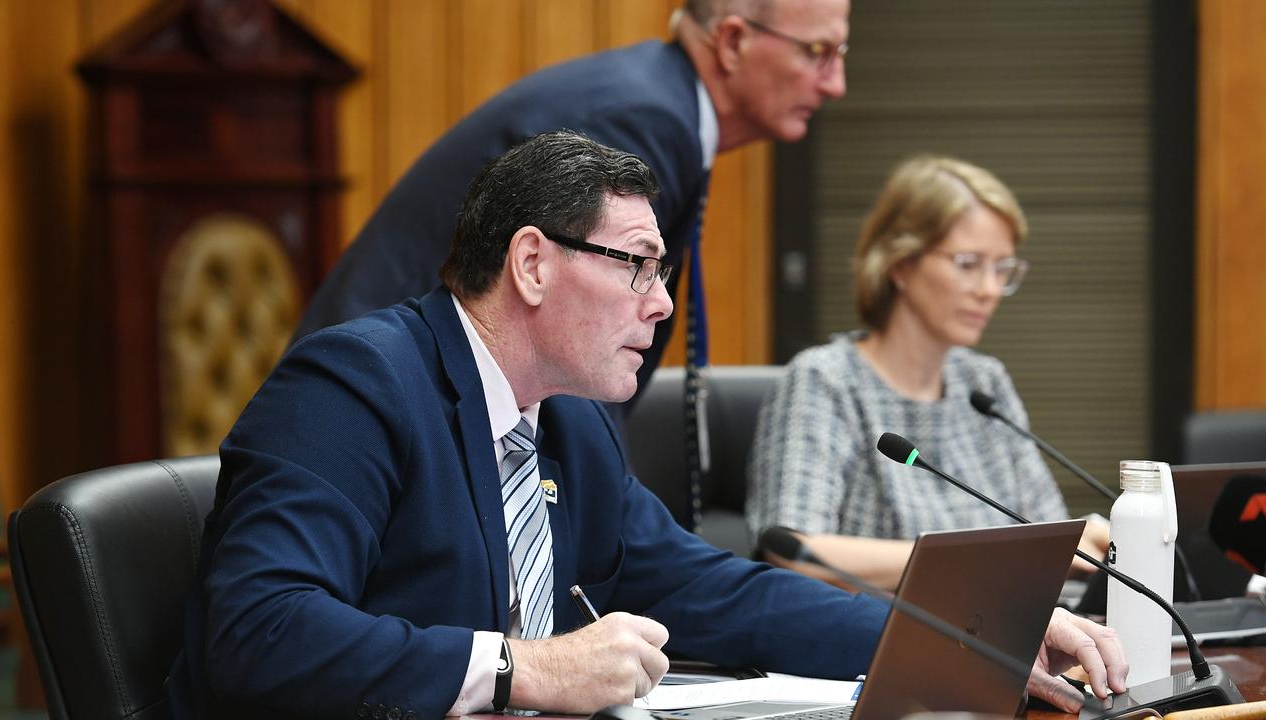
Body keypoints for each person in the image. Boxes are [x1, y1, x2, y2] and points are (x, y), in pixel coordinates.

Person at [169, 134, 1125, 718]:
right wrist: (527, 668)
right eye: (636, 265)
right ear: (533, 265)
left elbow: (722, 595)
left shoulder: (567, 425)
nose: (661, 304)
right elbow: (261, 630)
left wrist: (976, 638)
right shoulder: (357, 384)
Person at [291, 0, 851, 404]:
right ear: (732, 42)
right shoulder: (640, 120)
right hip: (379, 400)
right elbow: (574, 339)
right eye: (818, 53)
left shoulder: (661, 105)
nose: (836, 84)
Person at [746, 155, 1110, 590]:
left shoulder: (985, 383)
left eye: (1002, 269)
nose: (990, 290)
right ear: (900, 263)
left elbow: (1045, 531)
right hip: (875, 642)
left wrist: (1094, 540)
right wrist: (989, 555)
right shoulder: (825, 380)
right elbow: (793, 552)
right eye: (968, 263)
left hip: (1001, 635)